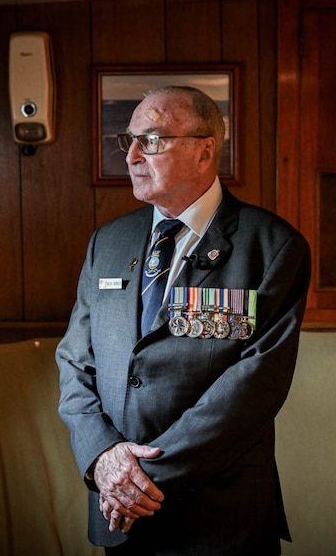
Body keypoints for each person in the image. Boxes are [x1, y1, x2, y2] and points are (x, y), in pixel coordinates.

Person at [56, 85, 311, 555]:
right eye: (127, 140)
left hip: (219, 517)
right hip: (119, 513)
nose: (131, 155)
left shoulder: (271, 246)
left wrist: (139, 480)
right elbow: (74, 363)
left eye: (150, 140)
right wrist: (103, 457)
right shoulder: (107, 243)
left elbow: (256, 385)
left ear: (204, 150)